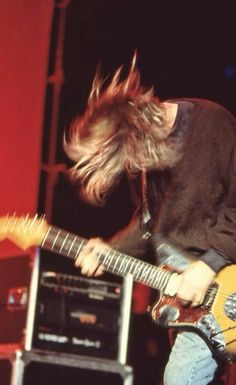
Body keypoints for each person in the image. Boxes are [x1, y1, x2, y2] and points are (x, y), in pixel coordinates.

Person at [63, 53, 236, 385]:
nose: (130, 165)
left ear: (135, 133)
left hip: (224, 279)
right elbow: (149, 226)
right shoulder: (142, 162)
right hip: (189, 305)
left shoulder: (211, 124)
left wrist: (209, 264)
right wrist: (110, 250)